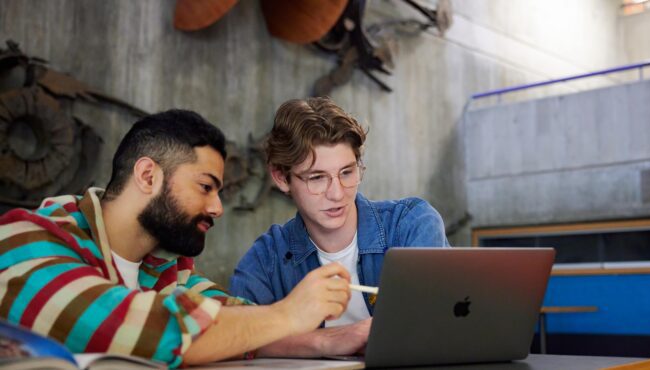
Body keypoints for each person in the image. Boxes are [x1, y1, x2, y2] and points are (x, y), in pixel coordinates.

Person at [0, 110, 352, 368]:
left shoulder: (165, 271)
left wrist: (331, 339)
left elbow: (240, 323)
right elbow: (134, 329)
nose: (217, 207)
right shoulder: (25, 240)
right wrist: (290, 314)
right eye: (205, 187)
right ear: (148, 175)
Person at [229, 97, 449, 357]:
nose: (337, 194)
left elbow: (439, 327)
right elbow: (236, 340)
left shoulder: (412, 223)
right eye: (317, 178)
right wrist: (327, 340)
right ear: (281, 177)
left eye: (347, 172)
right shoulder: (267, 258)